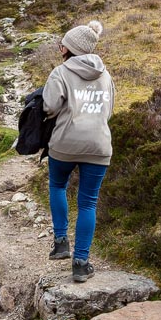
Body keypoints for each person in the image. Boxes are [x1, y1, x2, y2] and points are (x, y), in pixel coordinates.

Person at [41, 20, 114, 283]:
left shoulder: (60, 73)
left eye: (63, 43)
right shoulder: (105, 74)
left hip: (65, 144)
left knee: (57, 185)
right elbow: (109, 110)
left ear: (69, 48)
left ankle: (61, 242)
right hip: (99, 145)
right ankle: (81, 264)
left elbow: (49, 107)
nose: (60, 47)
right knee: (88, 202)